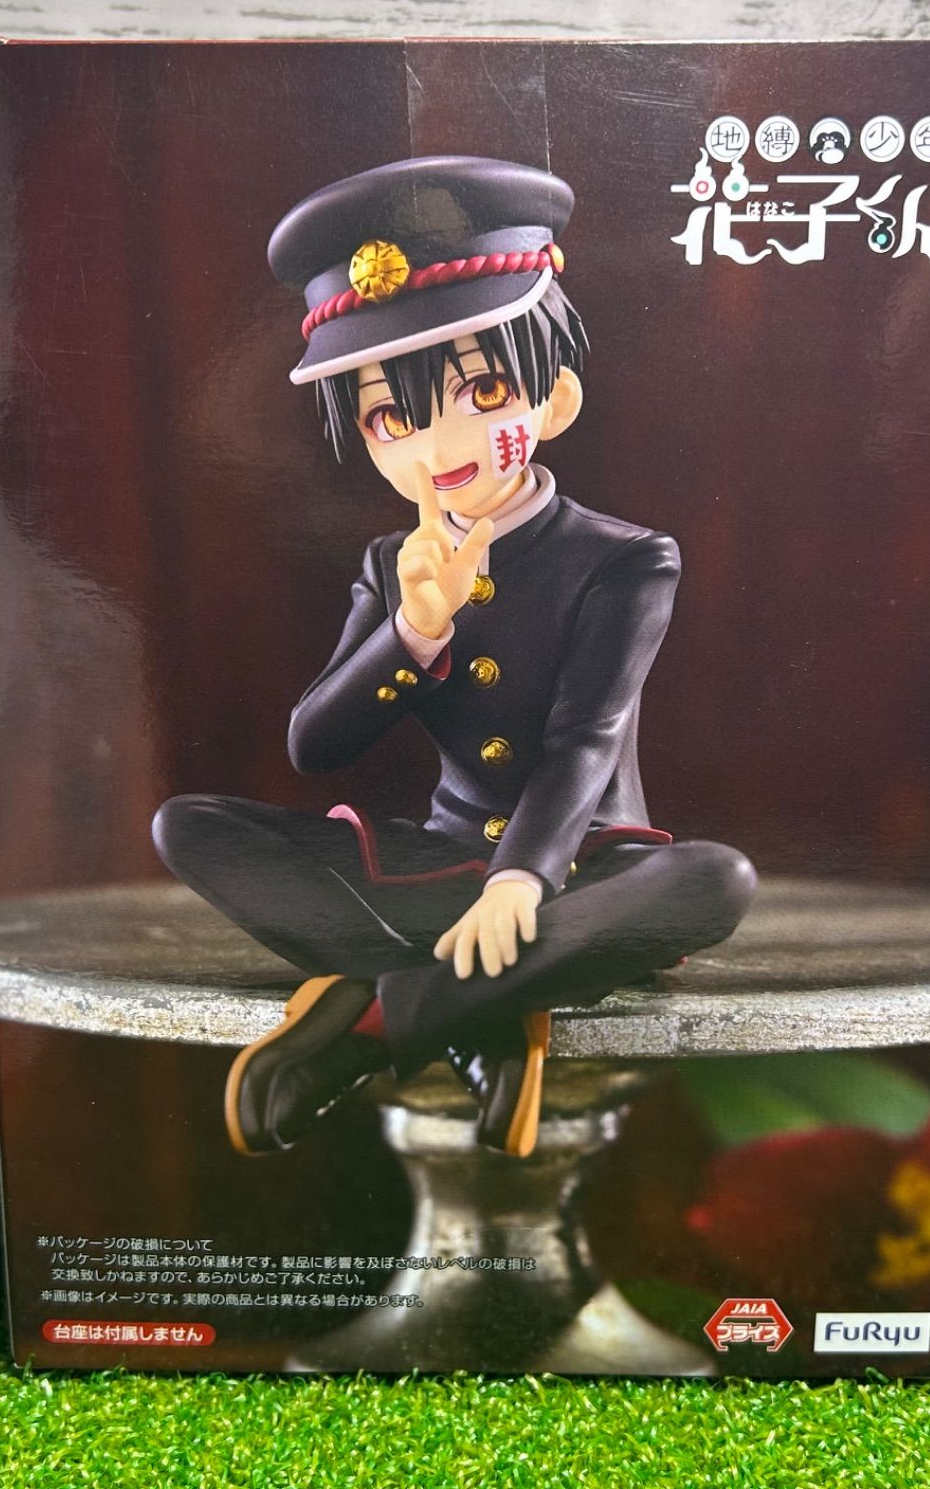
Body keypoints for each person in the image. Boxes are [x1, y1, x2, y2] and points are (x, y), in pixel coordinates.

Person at [153, 155, 756, 1159]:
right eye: (393, 416)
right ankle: (493, 1005)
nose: (439, 444)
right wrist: (414, 630)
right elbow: (314, 744)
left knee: (713, 881)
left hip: (575, 869)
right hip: (437, 868)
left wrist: (520, 881)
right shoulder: (390, 563)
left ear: (555, 400)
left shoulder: (625, 559)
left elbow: (585, 740)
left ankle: (375, 1022)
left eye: (482, 390)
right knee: (190, 827)